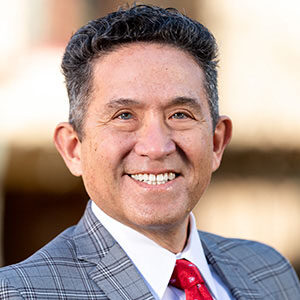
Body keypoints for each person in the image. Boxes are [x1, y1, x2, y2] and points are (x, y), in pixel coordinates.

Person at [0, 4, 299, 299]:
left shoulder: (270, 273)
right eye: (124, 116)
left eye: (180, 115)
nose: (156, 147)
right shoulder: (20, 293)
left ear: (217, 142)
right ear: (73, 148)